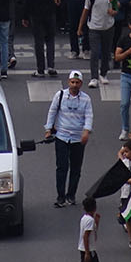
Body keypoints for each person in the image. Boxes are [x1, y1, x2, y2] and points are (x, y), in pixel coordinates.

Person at [44, 70, 94, 208]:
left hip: (78, 139)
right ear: (68, 82)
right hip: (62, 137)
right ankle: (60, 196)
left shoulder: (86, 99)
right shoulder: (60, 95)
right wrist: (48, 129)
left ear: (81, 84)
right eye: (72, 82)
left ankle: (71, 195)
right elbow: (52, 111)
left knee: (76, 169)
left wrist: (86, 131)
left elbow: (89, 116)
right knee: (62, 167)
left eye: (77, 83)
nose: (74, 85)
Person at [21, 0, 58, 77]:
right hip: (50, 11)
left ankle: (40, 69)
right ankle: (51, 65)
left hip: (36, 13)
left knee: (38, 41)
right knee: (50, 39)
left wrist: (25, 15)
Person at [78, 0, 116, 88]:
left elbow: (116, 7)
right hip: (94, 27)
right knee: (94, 53)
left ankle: (103, 73)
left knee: (106, 52)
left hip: (108, 27)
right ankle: (94, 77)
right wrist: (80, 28)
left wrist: (113, 11)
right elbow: (85, 11)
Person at [72, 196, 104, 262]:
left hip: (85, 250)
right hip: (89, 251)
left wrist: (97, 221)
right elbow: (86, 236)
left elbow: (93, 231)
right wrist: (87, 253)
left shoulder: (85, 218)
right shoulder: (90, 220)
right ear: (95, 207)